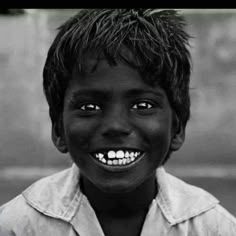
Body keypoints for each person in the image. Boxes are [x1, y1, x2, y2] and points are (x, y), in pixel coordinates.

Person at [0, 9, 236, 236]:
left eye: (142, 106)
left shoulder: (214, 227)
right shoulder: (16, 226)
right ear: (58, 129)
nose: (115, 126)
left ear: (177, 127)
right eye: (89, 107)